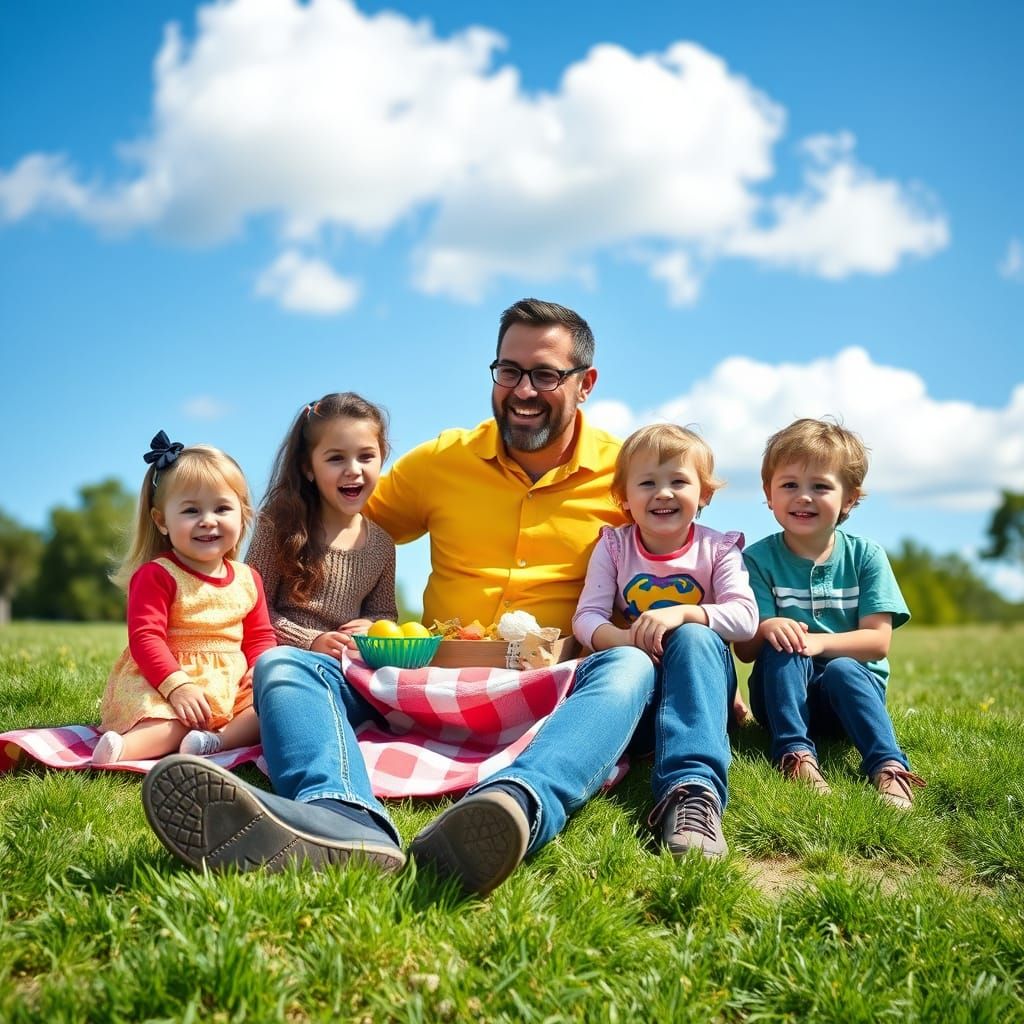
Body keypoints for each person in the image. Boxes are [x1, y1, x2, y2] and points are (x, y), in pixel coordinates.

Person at [143, 299, 656, 894]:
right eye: (509, 370)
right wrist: (215, 534)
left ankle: (515, 805)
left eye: (545, 374)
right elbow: (343, 522)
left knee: (630, 666)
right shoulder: (442, 462)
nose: (523, 390)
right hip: (427, 681)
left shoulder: (627, 475)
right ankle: (343, 816)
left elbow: (669, 565)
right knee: (285, 664)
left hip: (550, 686)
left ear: (585, 383)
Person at [572, 424, 757, 857]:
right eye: (648, 483)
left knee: (694, 635)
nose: (664, 493)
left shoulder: (718, 549)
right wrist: (623, 639)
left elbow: (746, 618)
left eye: (679, 481)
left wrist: (685, 612)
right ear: (624, 498)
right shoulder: (615, 547)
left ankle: (693, 790)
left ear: (704, 494)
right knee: (626, 675)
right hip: (643, 677)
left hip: (698, 673)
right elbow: (587, 617)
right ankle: (643, 745)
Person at [733, 418, 925, 809]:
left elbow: (877, 642)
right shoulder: (757, 559)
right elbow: (746, 651)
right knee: (783, 645)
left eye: (820, 486)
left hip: (849, 701)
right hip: (781, 699)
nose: (803, 497)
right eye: (789, 485)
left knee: (842, 668)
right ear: (769, 495)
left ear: (849, 499)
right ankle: (796, 756)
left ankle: (887, 765)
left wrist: (817, 642)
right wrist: (769, 626)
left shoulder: (865, 556)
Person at [93, 432, 276, 765]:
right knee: (172, 722)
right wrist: (177, 687)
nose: (208, 520)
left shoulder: (249, 579)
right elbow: (145, 638)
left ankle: (214, 742)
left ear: (242, 514)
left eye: (222, 508)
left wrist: (259, 666)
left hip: (230, 684)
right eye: (191, 511)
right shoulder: (158, 574)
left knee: (271, 712)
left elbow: (260, 635)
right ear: (162, 521)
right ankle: (123, 748)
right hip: (166, 679)